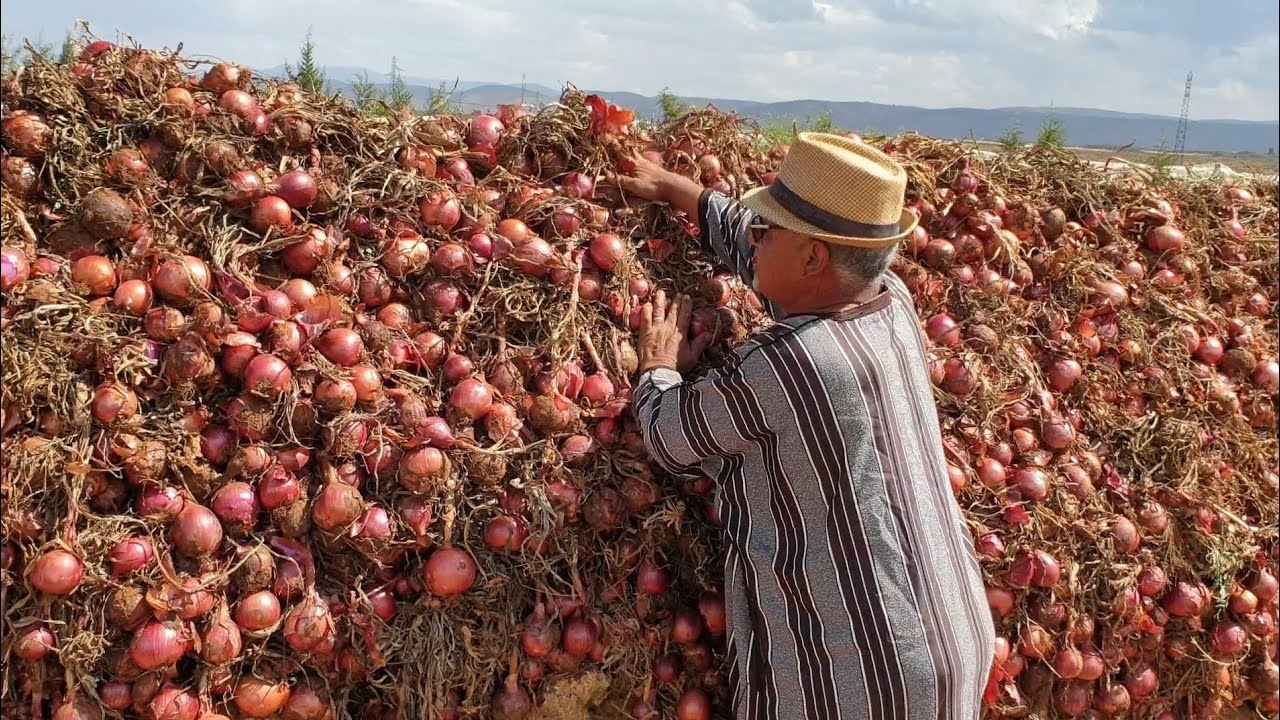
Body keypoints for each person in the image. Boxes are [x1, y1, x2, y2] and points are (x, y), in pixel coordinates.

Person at [614, 132, 995, 720]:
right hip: (949, 632)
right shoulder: (888, 298)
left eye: (769, 230)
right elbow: (761, 258)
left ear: (814, 257)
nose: (755, 238)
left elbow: (672, 436)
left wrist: (659, 367)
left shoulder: (791, 364)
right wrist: (680, 193)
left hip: (864, 675)